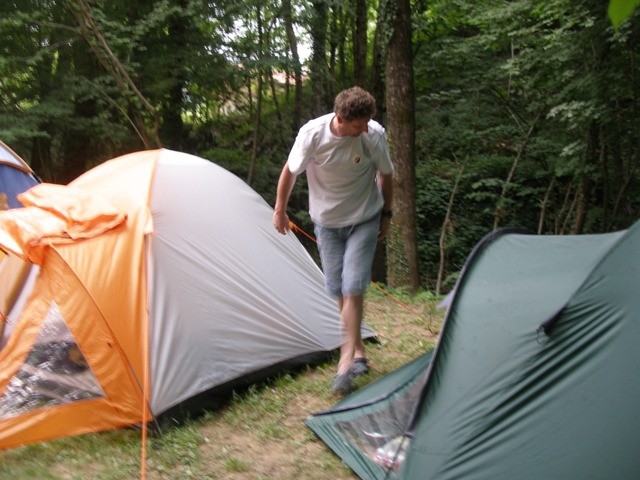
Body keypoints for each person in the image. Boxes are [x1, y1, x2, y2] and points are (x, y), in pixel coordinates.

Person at [273, 86, 394, 395]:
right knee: (338, 289)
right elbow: (290, 171)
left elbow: (385, 174)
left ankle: (345, 363)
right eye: (359, 124)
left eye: (368, 122)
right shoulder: (313, 135)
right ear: (341, 119)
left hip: (364, 218)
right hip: (327, 223)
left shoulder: (373, 135)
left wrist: (386, 215)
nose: (365, 128)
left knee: (353, 287)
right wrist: (279, 210)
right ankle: (359, 352)